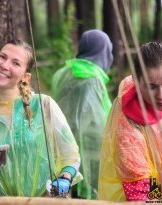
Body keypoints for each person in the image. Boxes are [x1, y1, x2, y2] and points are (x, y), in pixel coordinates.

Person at [0, 39, 82, 196]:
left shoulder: (44, 105)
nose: (5, 65)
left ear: (25, 77)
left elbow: (71, 157)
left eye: (15, 63)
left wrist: (65, 178)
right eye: (2, 57)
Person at [98, 42, 162, 201]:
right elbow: (141, 194)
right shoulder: (128, 130)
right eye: (151, 87)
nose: (161, 95)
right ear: (136, 80)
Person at [51, 29, 113, 199]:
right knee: (87, 195)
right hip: (90, 150)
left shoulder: (62, 73)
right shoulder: (92, 78)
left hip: (61, 144)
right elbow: (95, 119)